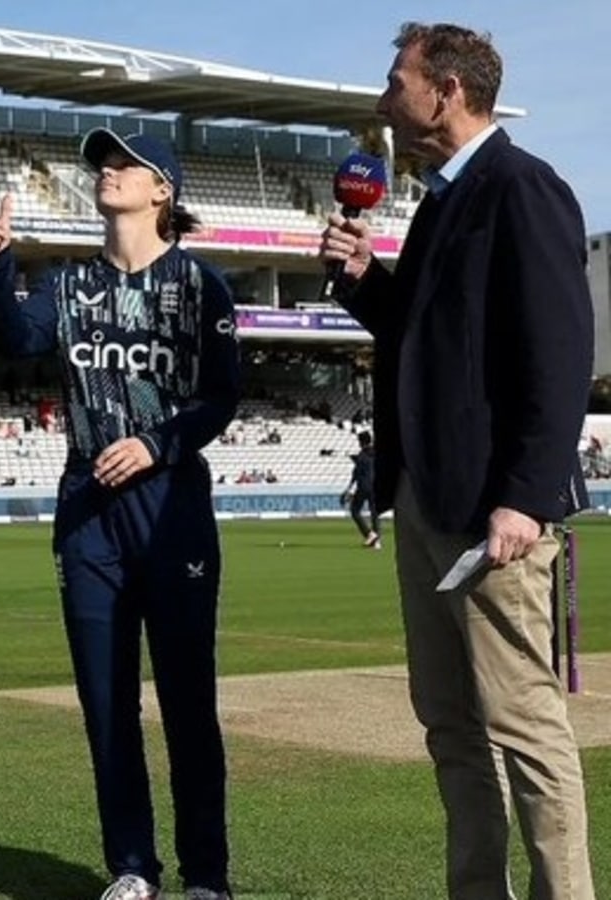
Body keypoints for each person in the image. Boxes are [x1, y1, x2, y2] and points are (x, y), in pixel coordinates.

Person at [320, 22, 595, 899]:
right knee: (449, 724)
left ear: (445, 89)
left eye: (395, 82)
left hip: (493, 518)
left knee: (525, 728)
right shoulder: (440, 202)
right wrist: (366, 280)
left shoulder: (524, 189)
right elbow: (425, 346)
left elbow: (559, 356)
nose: (382, 103)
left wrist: (525, 496)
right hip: (427, 500)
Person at [0, 127, 240, 900]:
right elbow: (15, 340)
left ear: (163, 191)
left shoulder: (200, 285)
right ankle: (131, 866)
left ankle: (207, 876)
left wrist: (158, 444)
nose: (109, 172)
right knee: (105, 702)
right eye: (103, 164)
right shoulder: (67, 284)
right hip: (87, 506)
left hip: (172, 506)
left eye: (127, 164)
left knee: (189, 702)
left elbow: (220, 398)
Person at [340, 431, 382, 549]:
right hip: (375, 486)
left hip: (364, 486)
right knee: (375, 513)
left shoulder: (362, 456)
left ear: (361, 442)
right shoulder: (375, 453)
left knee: (355, 511)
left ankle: (369, 534)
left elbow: (356, 474)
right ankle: (377, 541)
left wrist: (349, 490)